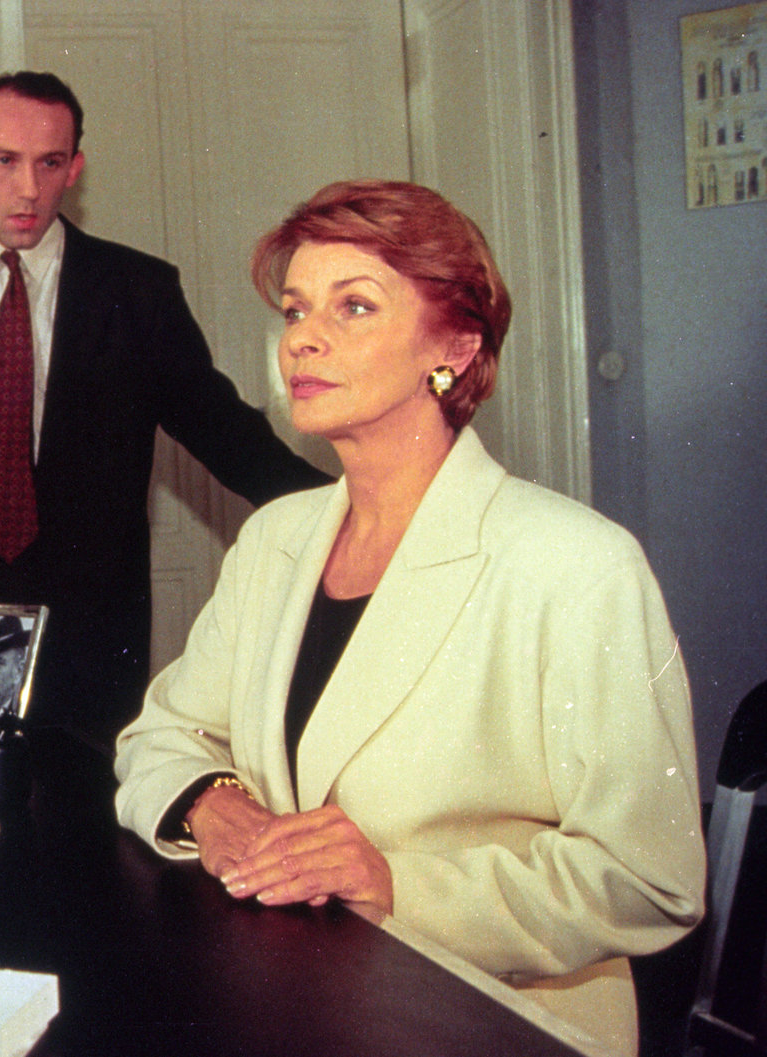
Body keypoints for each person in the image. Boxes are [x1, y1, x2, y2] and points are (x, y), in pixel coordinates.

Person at [113, 179, 705, 1055]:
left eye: (353, 306)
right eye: (295, 309)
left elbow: (650, 879)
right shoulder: (275, 539)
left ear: (456, 346)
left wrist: (397, 882)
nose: (302, 337)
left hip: (496, 1026)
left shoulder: (576, 563)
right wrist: (212, 802)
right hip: (294, 1008)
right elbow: (159, 736)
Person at [0, 72, 328, 745]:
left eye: (49, 164)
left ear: (74, 168)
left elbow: (220, 427)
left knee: (87, 803)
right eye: (4, 161)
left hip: (91, 624)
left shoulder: (138, 288)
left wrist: (343, 507)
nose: (27, 189)